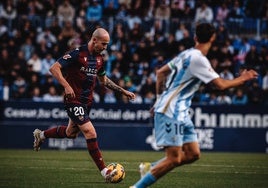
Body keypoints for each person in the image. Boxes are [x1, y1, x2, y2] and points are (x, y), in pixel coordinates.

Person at [129, 23, 258, 188]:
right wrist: (244, 78)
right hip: (172, 111)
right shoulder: (199, 60)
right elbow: (221, 85)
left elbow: (161, 73)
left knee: (193, 154)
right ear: (212, 38)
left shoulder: (187, 54)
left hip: (181, 112)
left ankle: (150, 168)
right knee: (174, 158)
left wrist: (158, 99)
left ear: (195, 37)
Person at [32, 28, 135, 182]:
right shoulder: (77, 53)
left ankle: (41, 135)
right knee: (90, 132)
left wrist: (123, 91)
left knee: (70, 133)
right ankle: (105, 172)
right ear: (94, 40)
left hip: (87, 102)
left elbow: (104, 80)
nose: (105, 47)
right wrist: (66, 86)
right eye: (104, 44)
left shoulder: (100, 59)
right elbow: (54, 68)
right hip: (73, 100)